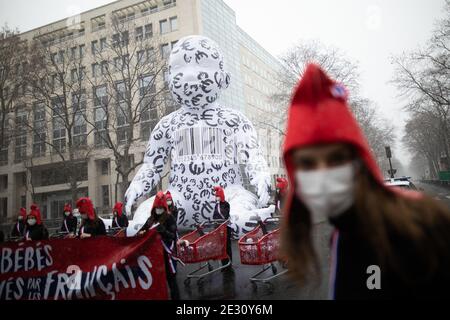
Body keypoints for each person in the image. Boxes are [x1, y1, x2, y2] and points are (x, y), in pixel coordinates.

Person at [281, 63, 450, 299]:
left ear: (359, 164)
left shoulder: (419, 227)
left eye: (336, 158)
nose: (323, 174)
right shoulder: (342, 232)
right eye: (308, 164)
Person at [138, 191, 180, 300]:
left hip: (167, 255)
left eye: (161, 207)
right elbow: (142, 230)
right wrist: (142, 233)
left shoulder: (169, 218)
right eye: (157, 207)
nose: (159, 210)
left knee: (171, 281)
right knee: (156, 283)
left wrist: (163, 231)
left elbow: (173, 236)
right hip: (154, 256)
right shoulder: (151, 219)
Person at [212, 186, 232, 269]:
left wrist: (219, 207)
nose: (217, 198)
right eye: (216, 196)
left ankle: (229, 262)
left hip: (225, 227)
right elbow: (214, 215)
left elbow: (225, 215)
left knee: (227, 245)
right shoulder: (216, 205)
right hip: (219, 228)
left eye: (218, 196)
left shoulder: (226, 204)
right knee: (221, 246)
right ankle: (223, 263)